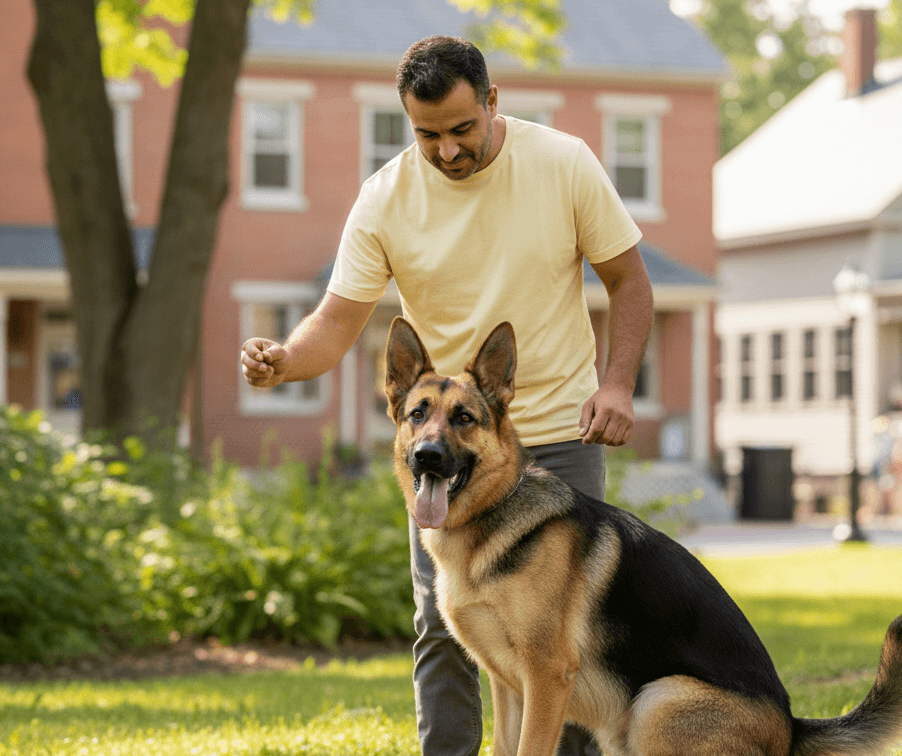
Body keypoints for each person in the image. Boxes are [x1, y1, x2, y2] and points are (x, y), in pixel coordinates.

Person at [240, 35, 654, 756]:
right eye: (428, 134)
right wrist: (284, 362)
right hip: (446, 447)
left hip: (557, 433)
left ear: (493, 102)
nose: (448, 150)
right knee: (441, 621)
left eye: (463, 129)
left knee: (557, 637)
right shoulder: (386, 197)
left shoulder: (562, 164)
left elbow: (629, 281)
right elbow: (338, 319)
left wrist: (617, 384)